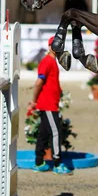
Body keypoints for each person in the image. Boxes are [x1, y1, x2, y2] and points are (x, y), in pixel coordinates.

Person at [27, 36, 73, 175]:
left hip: (49, 103)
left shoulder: (51, 62)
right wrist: (34, 100)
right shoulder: (47, 62)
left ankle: (39, 161)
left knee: (43, 133)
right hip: (48, 104)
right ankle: (57, 163)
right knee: (55, 132)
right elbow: (38, 82)